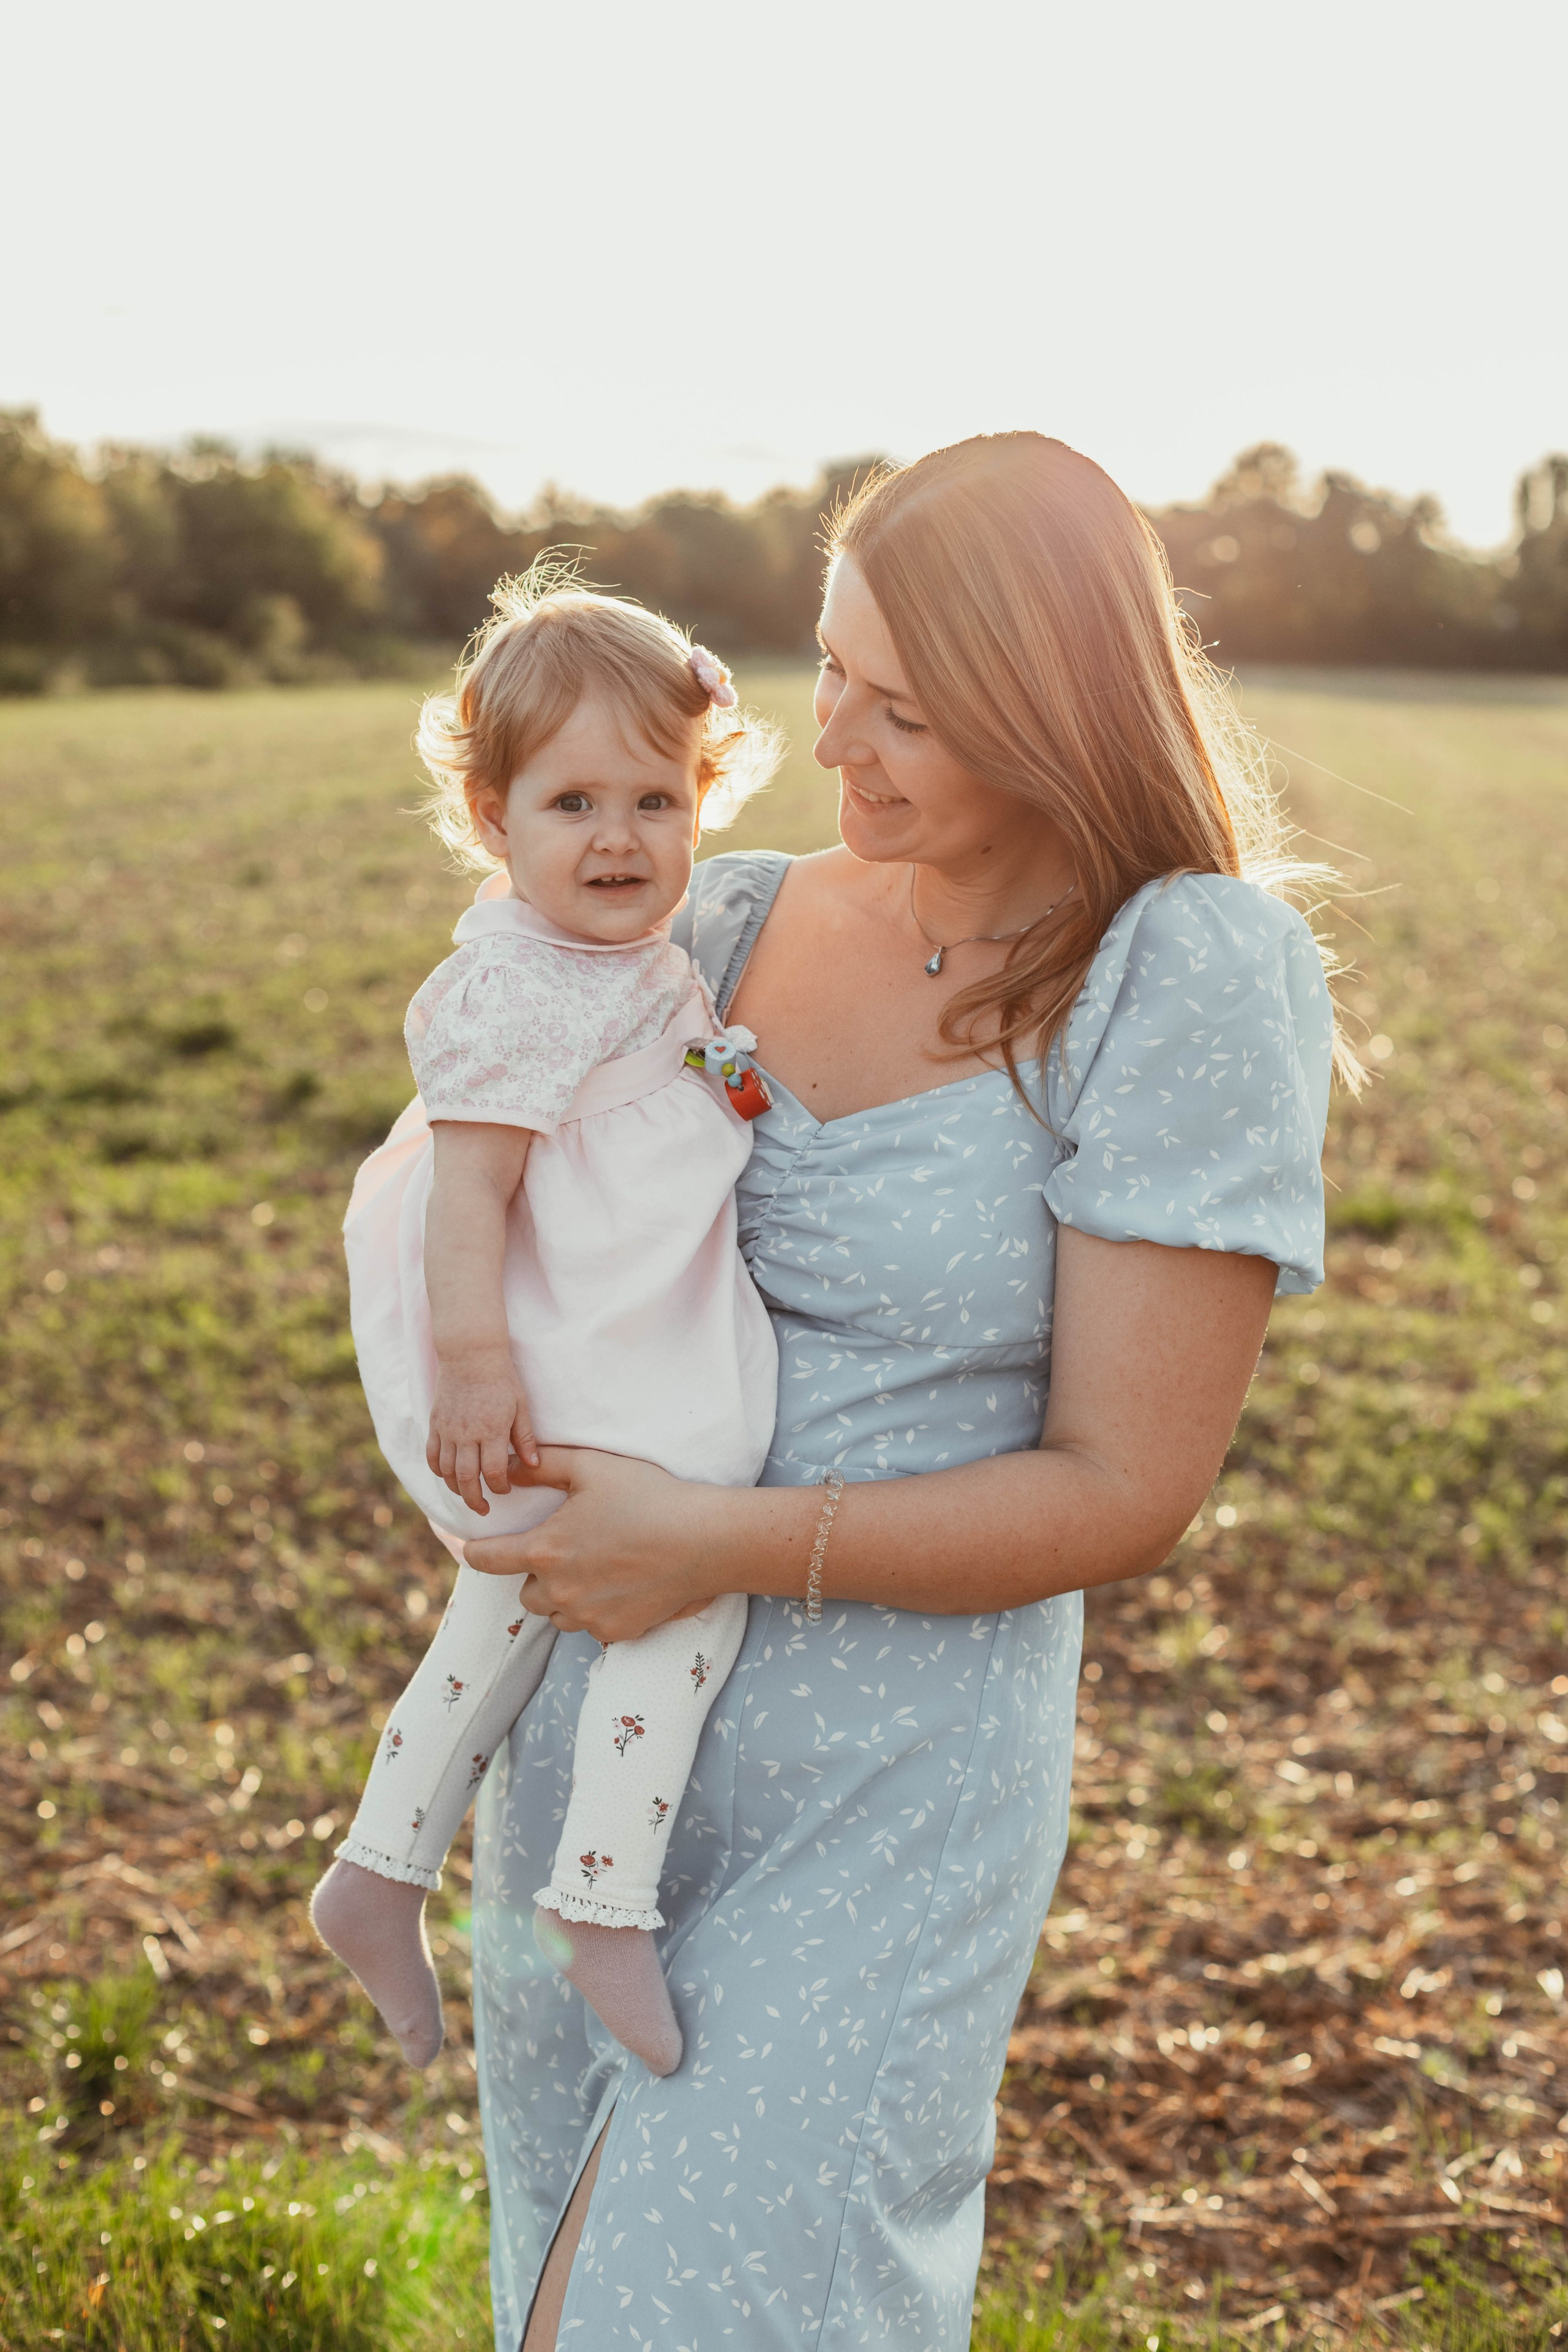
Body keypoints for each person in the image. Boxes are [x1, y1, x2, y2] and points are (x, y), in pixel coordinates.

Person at [458, 431, 1347, 2351]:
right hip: (598, 1744)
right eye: (826, 669)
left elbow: (1126, 1484)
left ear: (1042, 711)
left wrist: (707, 1534)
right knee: (557, 2295)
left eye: (903, 707)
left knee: (715, 2313)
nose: (828, 735)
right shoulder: (715, 917)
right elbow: (491, 1179)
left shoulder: (1178, 972)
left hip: (883, 1788)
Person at [311, 576, 780, 2081]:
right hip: (566, 1341)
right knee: (687, 1570)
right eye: (572, 801)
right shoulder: (514, 985)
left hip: (610, 1314)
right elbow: (468, 1196)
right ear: (489, 811)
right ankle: (599, 1898)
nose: (618, 838)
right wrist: (474, 1366)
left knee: (508, 1604)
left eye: (657, 797)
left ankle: (379, 1872)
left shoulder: (624, 947)